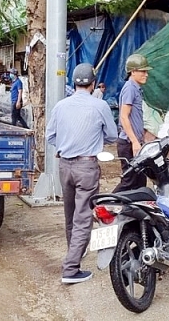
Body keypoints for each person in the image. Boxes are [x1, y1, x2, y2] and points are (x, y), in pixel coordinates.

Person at [47, 63, 117, 284]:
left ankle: (74, 252)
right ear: (93, 83)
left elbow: (50, 136)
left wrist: (66, 145)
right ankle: (70, 269)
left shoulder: (60, 106)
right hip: (87, 167)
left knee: (70, 214)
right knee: (83, 217)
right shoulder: (100, 105)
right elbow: (113, 136)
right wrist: (94, 139)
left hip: (64, 166)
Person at [112, 53, 152, 193]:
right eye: (143, 71)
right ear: (133, 72)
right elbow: (123, 117)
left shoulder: (136, 89)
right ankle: (104, 206)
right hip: (128, 143)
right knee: (129, 180)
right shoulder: (130, 88)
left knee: (140, 181)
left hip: (134, 142)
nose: (146, 74)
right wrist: (135, 141)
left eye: (146, 71)